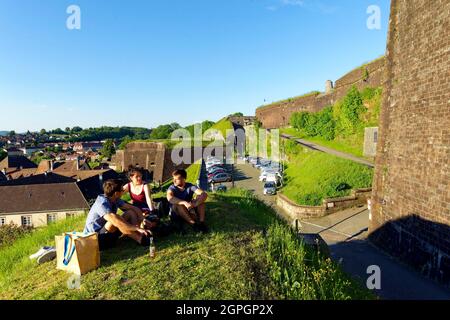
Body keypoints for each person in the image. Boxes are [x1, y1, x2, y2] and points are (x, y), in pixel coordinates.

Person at [84, 179, 152, 251]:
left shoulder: (115, 199)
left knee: (130, 212)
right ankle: (140, 240)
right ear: (116, 193)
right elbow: (114, 219)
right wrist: (135, 228)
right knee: (116, 219)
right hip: (95, 238)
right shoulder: (101, 203)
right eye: (122, 190)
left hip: (107, 233)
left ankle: (140, 235)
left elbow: (133, 208)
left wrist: (143, 219)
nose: (123, 192)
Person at [167, 169, 209, 233]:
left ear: (184, 179)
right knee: (179, 205)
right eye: (173, 178)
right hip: (176, 212)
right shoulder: (172, 188)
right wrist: (184, 202)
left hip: (189, 209)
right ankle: (194, 224)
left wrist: (194, 204)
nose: (174, 181)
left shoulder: (190, 186)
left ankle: (201, 223)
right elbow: (169, 197)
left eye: (177, 179)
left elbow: (204, 194)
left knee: (201, 203)